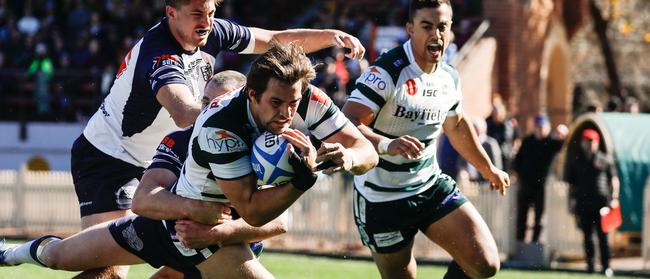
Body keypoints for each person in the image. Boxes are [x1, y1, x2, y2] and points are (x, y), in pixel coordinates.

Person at [1, 43, 378, 278]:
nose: (286, 113)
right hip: (174, 232)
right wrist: (302, 179)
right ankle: (10, 254)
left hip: (210, 241)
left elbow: (366, 153)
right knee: (61, 257)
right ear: (250, 95)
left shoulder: (306, 98)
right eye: (276, 104)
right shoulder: (218, 129)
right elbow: (253, 210)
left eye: (292, 103)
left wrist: (346, 157)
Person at [69, 0, 365, 277]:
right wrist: (238, 116)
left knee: (185, 263)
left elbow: (275, 40)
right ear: (172, 13)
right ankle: (28, 253)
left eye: (211, 12)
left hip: (165, 157)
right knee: (110, 271)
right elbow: (185, 114)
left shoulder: (213, 30)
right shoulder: (160, 56)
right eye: (198, 13)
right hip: (112, 157)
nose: (207, 22)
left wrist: (330, 35)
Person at [341, 1, 510, 278]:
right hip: (381, 199)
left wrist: (487, 167)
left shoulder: (448, 75)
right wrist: (387, 144)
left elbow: (456, 125)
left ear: (451, 29)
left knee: (484, 263)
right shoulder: (386, 71)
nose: (436, 34)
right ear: (410, 29)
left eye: (442, 27)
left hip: (429, 186)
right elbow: (346, 123)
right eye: (427, 26)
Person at [132, 70, 287, 279]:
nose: (210, 110)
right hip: (182, 236)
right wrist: (195, 209)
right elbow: (142, 200)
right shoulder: (180, 139)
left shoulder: (259, 147)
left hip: (232, 243)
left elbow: (279, 223)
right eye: (206, 102)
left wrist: (216, 233)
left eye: (218, 103)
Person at [567, 129, 619, 277]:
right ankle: (590, 265)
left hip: (601, 204)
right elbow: (572, 185)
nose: (589, 144)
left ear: (597, 143)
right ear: (582, 142)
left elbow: (613, 180)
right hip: (583, 204)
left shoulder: (604, 159)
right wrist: (571, 203)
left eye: (592, 141)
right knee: (587, 237)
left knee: (603, 237)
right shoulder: (577, 161)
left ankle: (606, 266)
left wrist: (613, 198)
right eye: (587, 141)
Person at [513, 115, 566, 243]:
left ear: (548, 128)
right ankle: (520, 242)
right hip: (525, 184)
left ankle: (535, 243)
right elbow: (517, 161)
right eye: (538, 127)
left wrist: (563, 134)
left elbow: (563, 145)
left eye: (543, 127)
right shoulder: (527, 141)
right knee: (522, 215)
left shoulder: (551, 141)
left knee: (539, 217)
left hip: (541, 186)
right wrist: (518, 174)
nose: (540, 130)